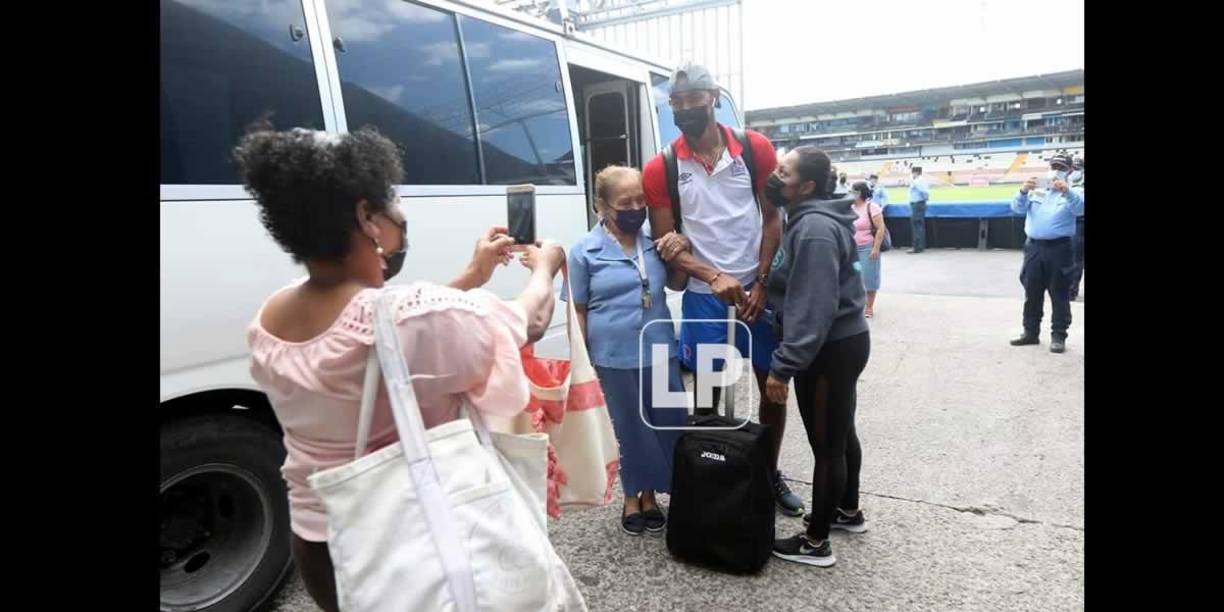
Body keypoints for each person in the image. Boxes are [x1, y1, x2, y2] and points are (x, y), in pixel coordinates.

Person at [237, 126, 567, 611]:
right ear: (366, 216)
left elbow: (399, 324)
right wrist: (545, 268)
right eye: (391, 201)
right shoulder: (407, 318)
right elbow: (529, 321)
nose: (401, 213)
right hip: (413, 535)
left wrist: (474, 275)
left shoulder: (270, 318)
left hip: (324, 547)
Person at [643, 62, 805, 517]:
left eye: (693, 100)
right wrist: (712, 275)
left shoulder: (755, 149)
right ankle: (712, 473)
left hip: (756, 292)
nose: (684, 110)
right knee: (710, 395)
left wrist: (761, 278)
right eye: (675, 103)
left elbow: (772, 218)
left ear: (713, 96)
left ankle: (767, 473)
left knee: (770, 387)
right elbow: (666, 241)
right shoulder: (662, 166)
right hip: (703, 297)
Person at [563, 165, 689, 536]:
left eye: (640, 200)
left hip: (660, 349)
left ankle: (657, 491)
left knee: (666, 423)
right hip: (612, 355)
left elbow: (679, 284)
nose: (636, 208)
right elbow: (578, 310)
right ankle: (634, 495)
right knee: (628, 428)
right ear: (602, 206)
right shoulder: (583, 251)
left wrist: (682, 248)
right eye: (625, 202)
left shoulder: (657, 240)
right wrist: (580, 361)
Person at [761, 146, 871, 568]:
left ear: (806, 186)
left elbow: (813, 306)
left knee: (826, 446)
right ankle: (846, 510)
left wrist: (783, 367)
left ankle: (816, 541)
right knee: (841, 433)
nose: (775, 176)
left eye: (783, 172)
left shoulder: (815, 231)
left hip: (828, 348)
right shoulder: (808, 218)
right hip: (842, 341)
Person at [1009, 153, 1085, 354]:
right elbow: (1016, 208)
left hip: (1059, 248)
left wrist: (1067, 192)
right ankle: (1030, 332)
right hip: (1034, 247)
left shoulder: (1075, 190)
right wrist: (1023, 191)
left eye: (1061, 166)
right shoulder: (1036, 188)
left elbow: (1080, 210)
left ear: (1070, 170)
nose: (1056, 169)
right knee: (1032, 291)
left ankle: (1059, 335)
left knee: (1059, 293)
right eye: (1054, 165)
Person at [850, 181, 885, 317]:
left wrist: (875, 248)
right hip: (852, 249)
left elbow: (881, 228)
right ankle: (858, 304)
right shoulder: (850, 208)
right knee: (855, 277)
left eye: (852, 191)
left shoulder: (872, 207)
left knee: (869, 277)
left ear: (859, 193)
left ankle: (869, 307)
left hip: (867, 248)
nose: (850, 193)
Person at [1068, 157, 1085, 301]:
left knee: (1076, 259)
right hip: (1075, 220)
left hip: (1078, 221)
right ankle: (1071, 289)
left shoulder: (1071, 181)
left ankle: (1072, 290)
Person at [907, 165, 930, 253]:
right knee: (919, 225)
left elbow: (923, 191)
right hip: (920, 203)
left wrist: (925, 198)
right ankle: (920, 246)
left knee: (916, 226)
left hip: (917, 204)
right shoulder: (923, 180)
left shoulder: (916, 181)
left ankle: (916, 247)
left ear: (915, 173)